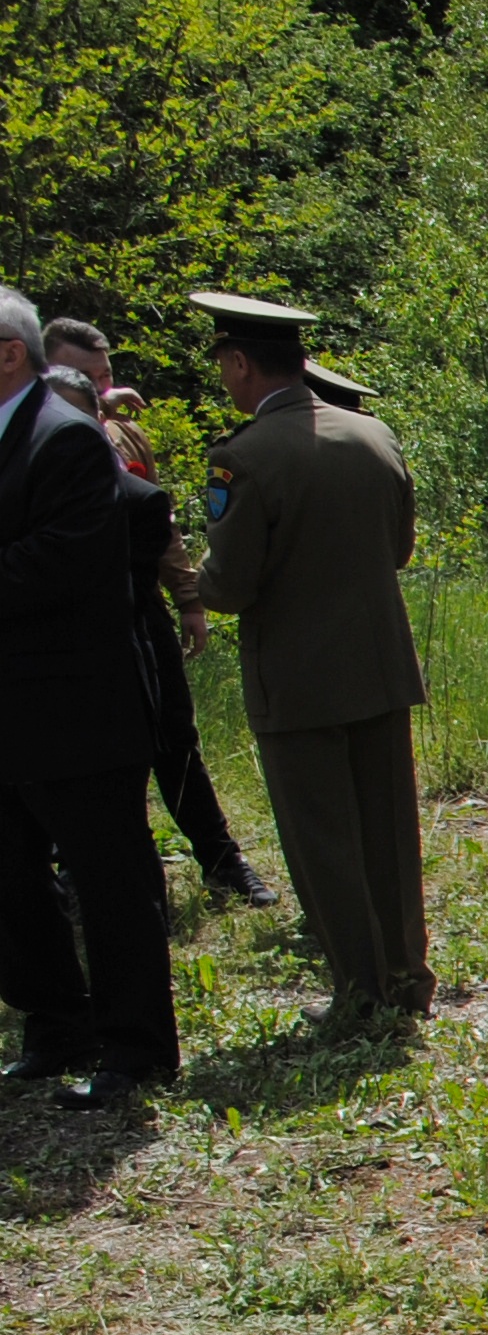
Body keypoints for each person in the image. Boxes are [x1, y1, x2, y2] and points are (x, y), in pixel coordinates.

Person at [190, 289, 435, 1030]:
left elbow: (230, 589)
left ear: (239, 363)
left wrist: (188, 575)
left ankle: (359, 991)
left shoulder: (242, 458)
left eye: (226, 366)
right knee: (388, 829)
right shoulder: (374, 434)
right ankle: (404, 974)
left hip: (296, 679)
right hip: (379, 666)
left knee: (323, 839)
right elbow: (398, 549)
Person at [0, 289, 180, 1108]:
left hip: (75, 706)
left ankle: (134, 1048)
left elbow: (61, 564)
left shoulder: (65, 436)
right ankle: (55, 1024)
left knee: (109, 882)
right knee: (12, 876)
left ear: (10, 353)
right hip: (15, 704)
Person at [39, 317, 274, 911]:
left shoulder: (126, 438)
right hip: (67, 623)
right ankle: (78, 872)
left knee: (176, 735)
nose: (101, 390)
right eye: (85, 378)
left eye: (105, 375)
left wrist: (189, 599)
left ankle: (222, 861)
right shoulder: (30, 450)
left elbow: (161, 526)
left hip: (140, 609)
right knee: (81, 753)